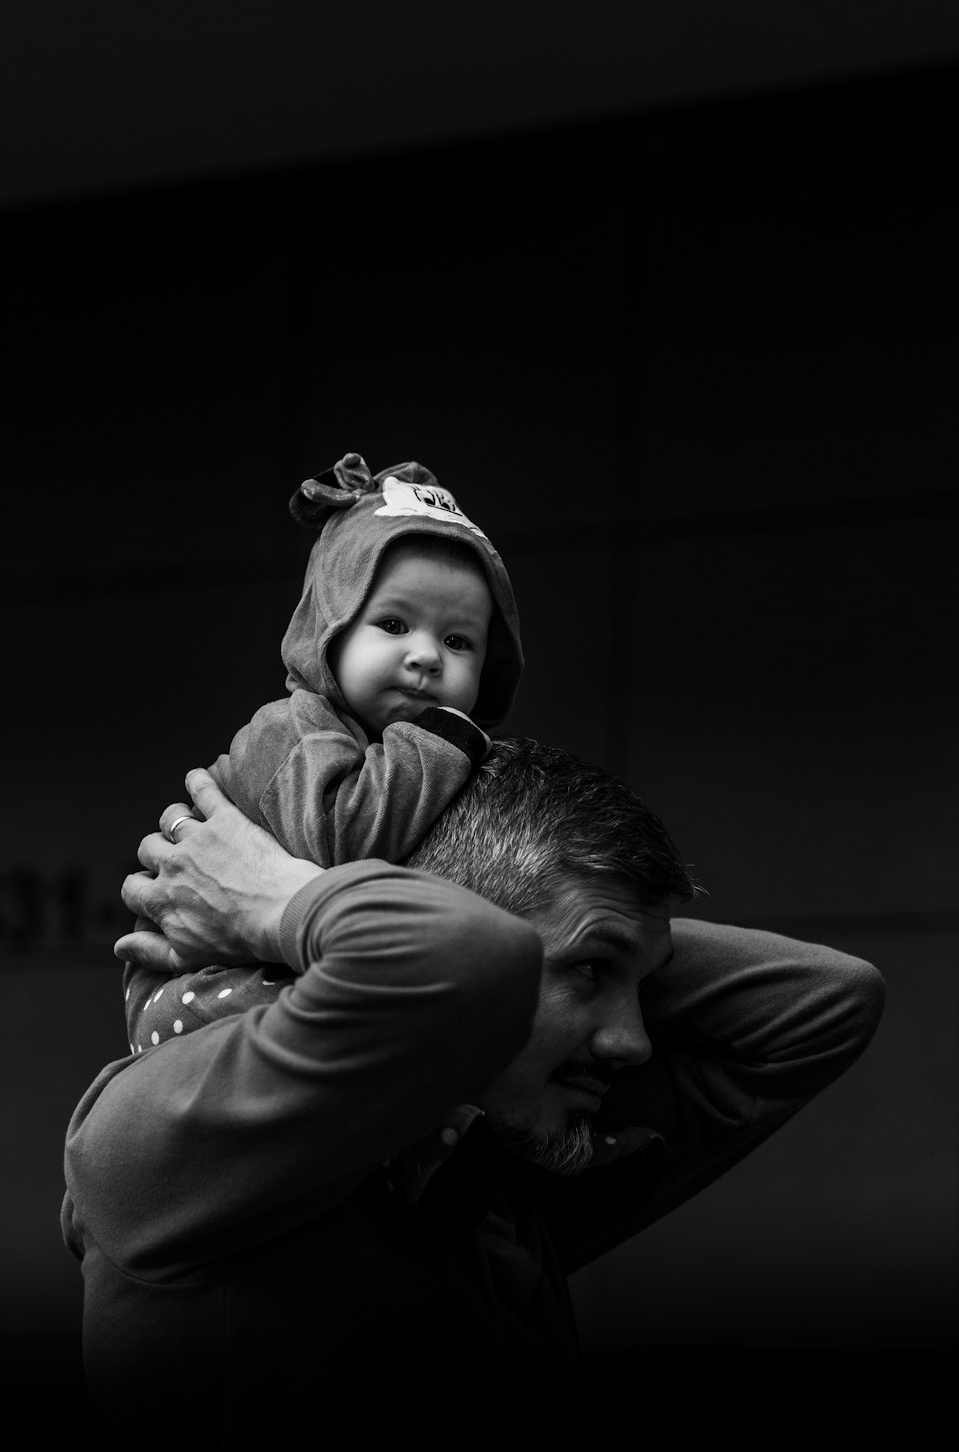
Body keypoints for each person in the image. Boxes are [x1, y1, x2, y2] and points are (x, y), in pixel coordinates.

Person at [62, 738, 885, 1440]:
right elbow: (467, 953)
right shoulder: (167, 1142)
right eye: (590, 972)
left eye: (637, 989)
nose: (632, 1041)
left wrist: (614, 946)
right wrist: (286, 902)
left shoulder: (497, 1161)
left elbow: (826, 1001)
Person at [124, 449, 523, 1053]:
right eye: (392, 624)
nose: (426, 655)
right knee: (396, 1022)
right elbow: (345, 843)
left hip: (267, 971)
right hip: (194, 990)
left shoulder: (397, 750)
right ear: (326, 630)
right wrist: (445, 740)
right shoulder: (293, 732)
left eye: (458, 639)